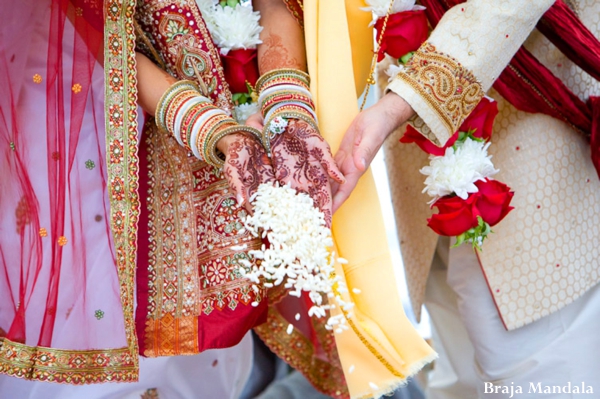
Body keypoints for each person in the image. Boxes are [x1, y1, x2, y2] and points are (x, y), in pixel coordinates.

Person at [0, 0, 346, 397]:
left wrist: (288, 114)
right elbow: (93, 31)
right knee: (107, 316)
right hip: (92, 123)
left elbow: (275, 4)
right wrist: (216, 132)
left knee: (202, 356)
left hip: (222, 112)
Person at [333, 0, 600, 397]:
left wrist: (398, 105)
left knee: (545, 375)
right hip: (421, 177)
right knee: (461, 379)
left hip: (540, 164)